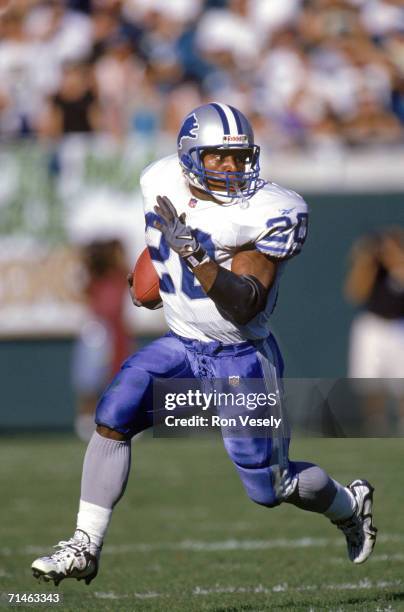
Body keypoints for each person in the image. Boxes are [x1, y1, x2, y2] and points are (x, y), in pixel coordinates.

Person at [31, 102, 377, 585]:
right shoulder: (158, 179)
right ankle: (85, 545)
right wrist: (156, 275)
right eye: (220, 157)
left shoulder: (271, 210)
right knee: (113, 416)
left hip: (241, 356)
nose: (234, 169)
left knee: (272, 487)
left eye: (240, 157)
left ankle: (347, 503)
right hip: (183, 347)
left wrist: (194, 257)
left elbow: (247, 304)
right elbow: (159, 249)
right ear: (190, 155)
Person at [345, 228, 404, 434]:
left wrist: (393, 254)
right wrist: (366, 260)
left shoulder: (397, 266)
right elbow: (355, 293)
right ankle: (375, 424)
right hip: (373, 326)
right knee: (370, 381)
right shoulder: (374, 269)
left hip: (399, 326)